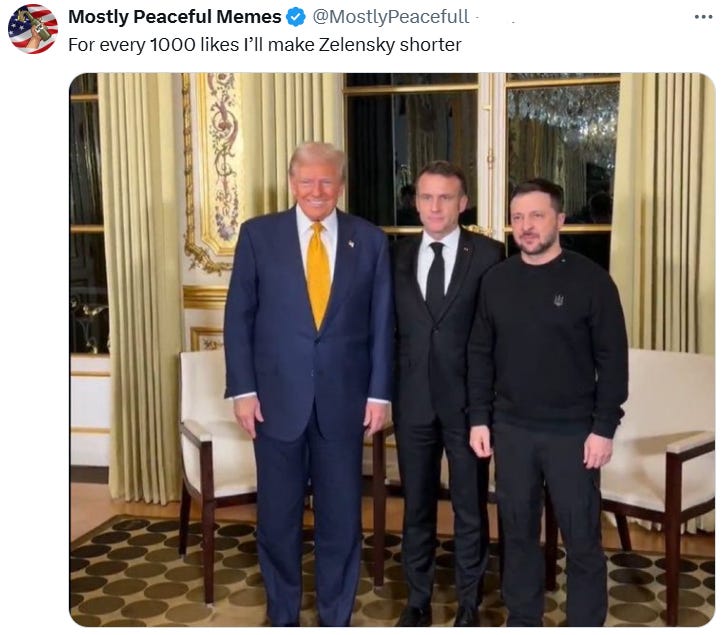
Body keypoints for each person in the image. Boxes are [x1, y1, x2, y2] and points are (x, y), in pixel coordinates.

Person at [223, 141, 394, 627]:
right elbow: (238, 317)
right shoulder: (258, 235)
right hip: (274, 403)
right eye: (306, 181)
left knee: (341, 521)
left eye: (326, 181)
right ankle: (283, 616)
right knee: (278, 522)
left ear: (341, 184)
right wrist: (243, 391)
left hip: (345, 404)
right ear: (291, 183)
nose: (316, 190)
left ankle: (335, 617)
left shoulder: (370, 240)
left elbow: (383, 323)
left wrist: (379, 393)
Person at [467, 177, 628, 627]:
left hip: (574, 433)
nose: (526, 226)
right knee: (517, 535)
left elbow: (613, 361)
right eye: (517, 217)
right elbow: (479, 354)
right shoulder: (496, 281)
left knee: (582, 540)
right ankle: (523, 619)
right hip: (511, 430)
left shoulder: (592, 281)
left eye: (536, 216)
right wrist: (479, 418)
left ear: (560, 219)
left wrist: (604, 428)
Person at [392, 160, 504, 627]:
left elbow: (498, 335)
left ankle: (468, 605)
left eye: (445, 197)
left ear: (463, 203)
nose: (435, 206)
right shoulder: (394, 254)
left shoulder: (491, 254)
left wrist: (488, 408)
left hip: (467, 407)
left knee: (469, 509)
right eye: (426, 197)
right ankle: (417, 601)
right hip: (413, 402)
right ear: (416, 202)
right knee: (415, 508)